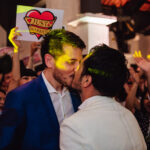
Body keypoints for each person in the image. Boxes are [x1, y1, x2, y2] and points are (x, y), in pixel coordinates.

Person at [0, 29, 86, 150]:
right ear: (49, 61)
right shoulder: (21, 97)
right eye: (71, 62)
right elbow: (6, 145)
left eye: (79, 63)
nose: (77, 69)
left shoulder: (78, 94)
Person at [60, 44, 147, 150]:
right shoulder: (128, 116)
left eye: (79, 67)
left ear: (86, 80)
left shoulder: (73, 126)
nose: (74, 70)